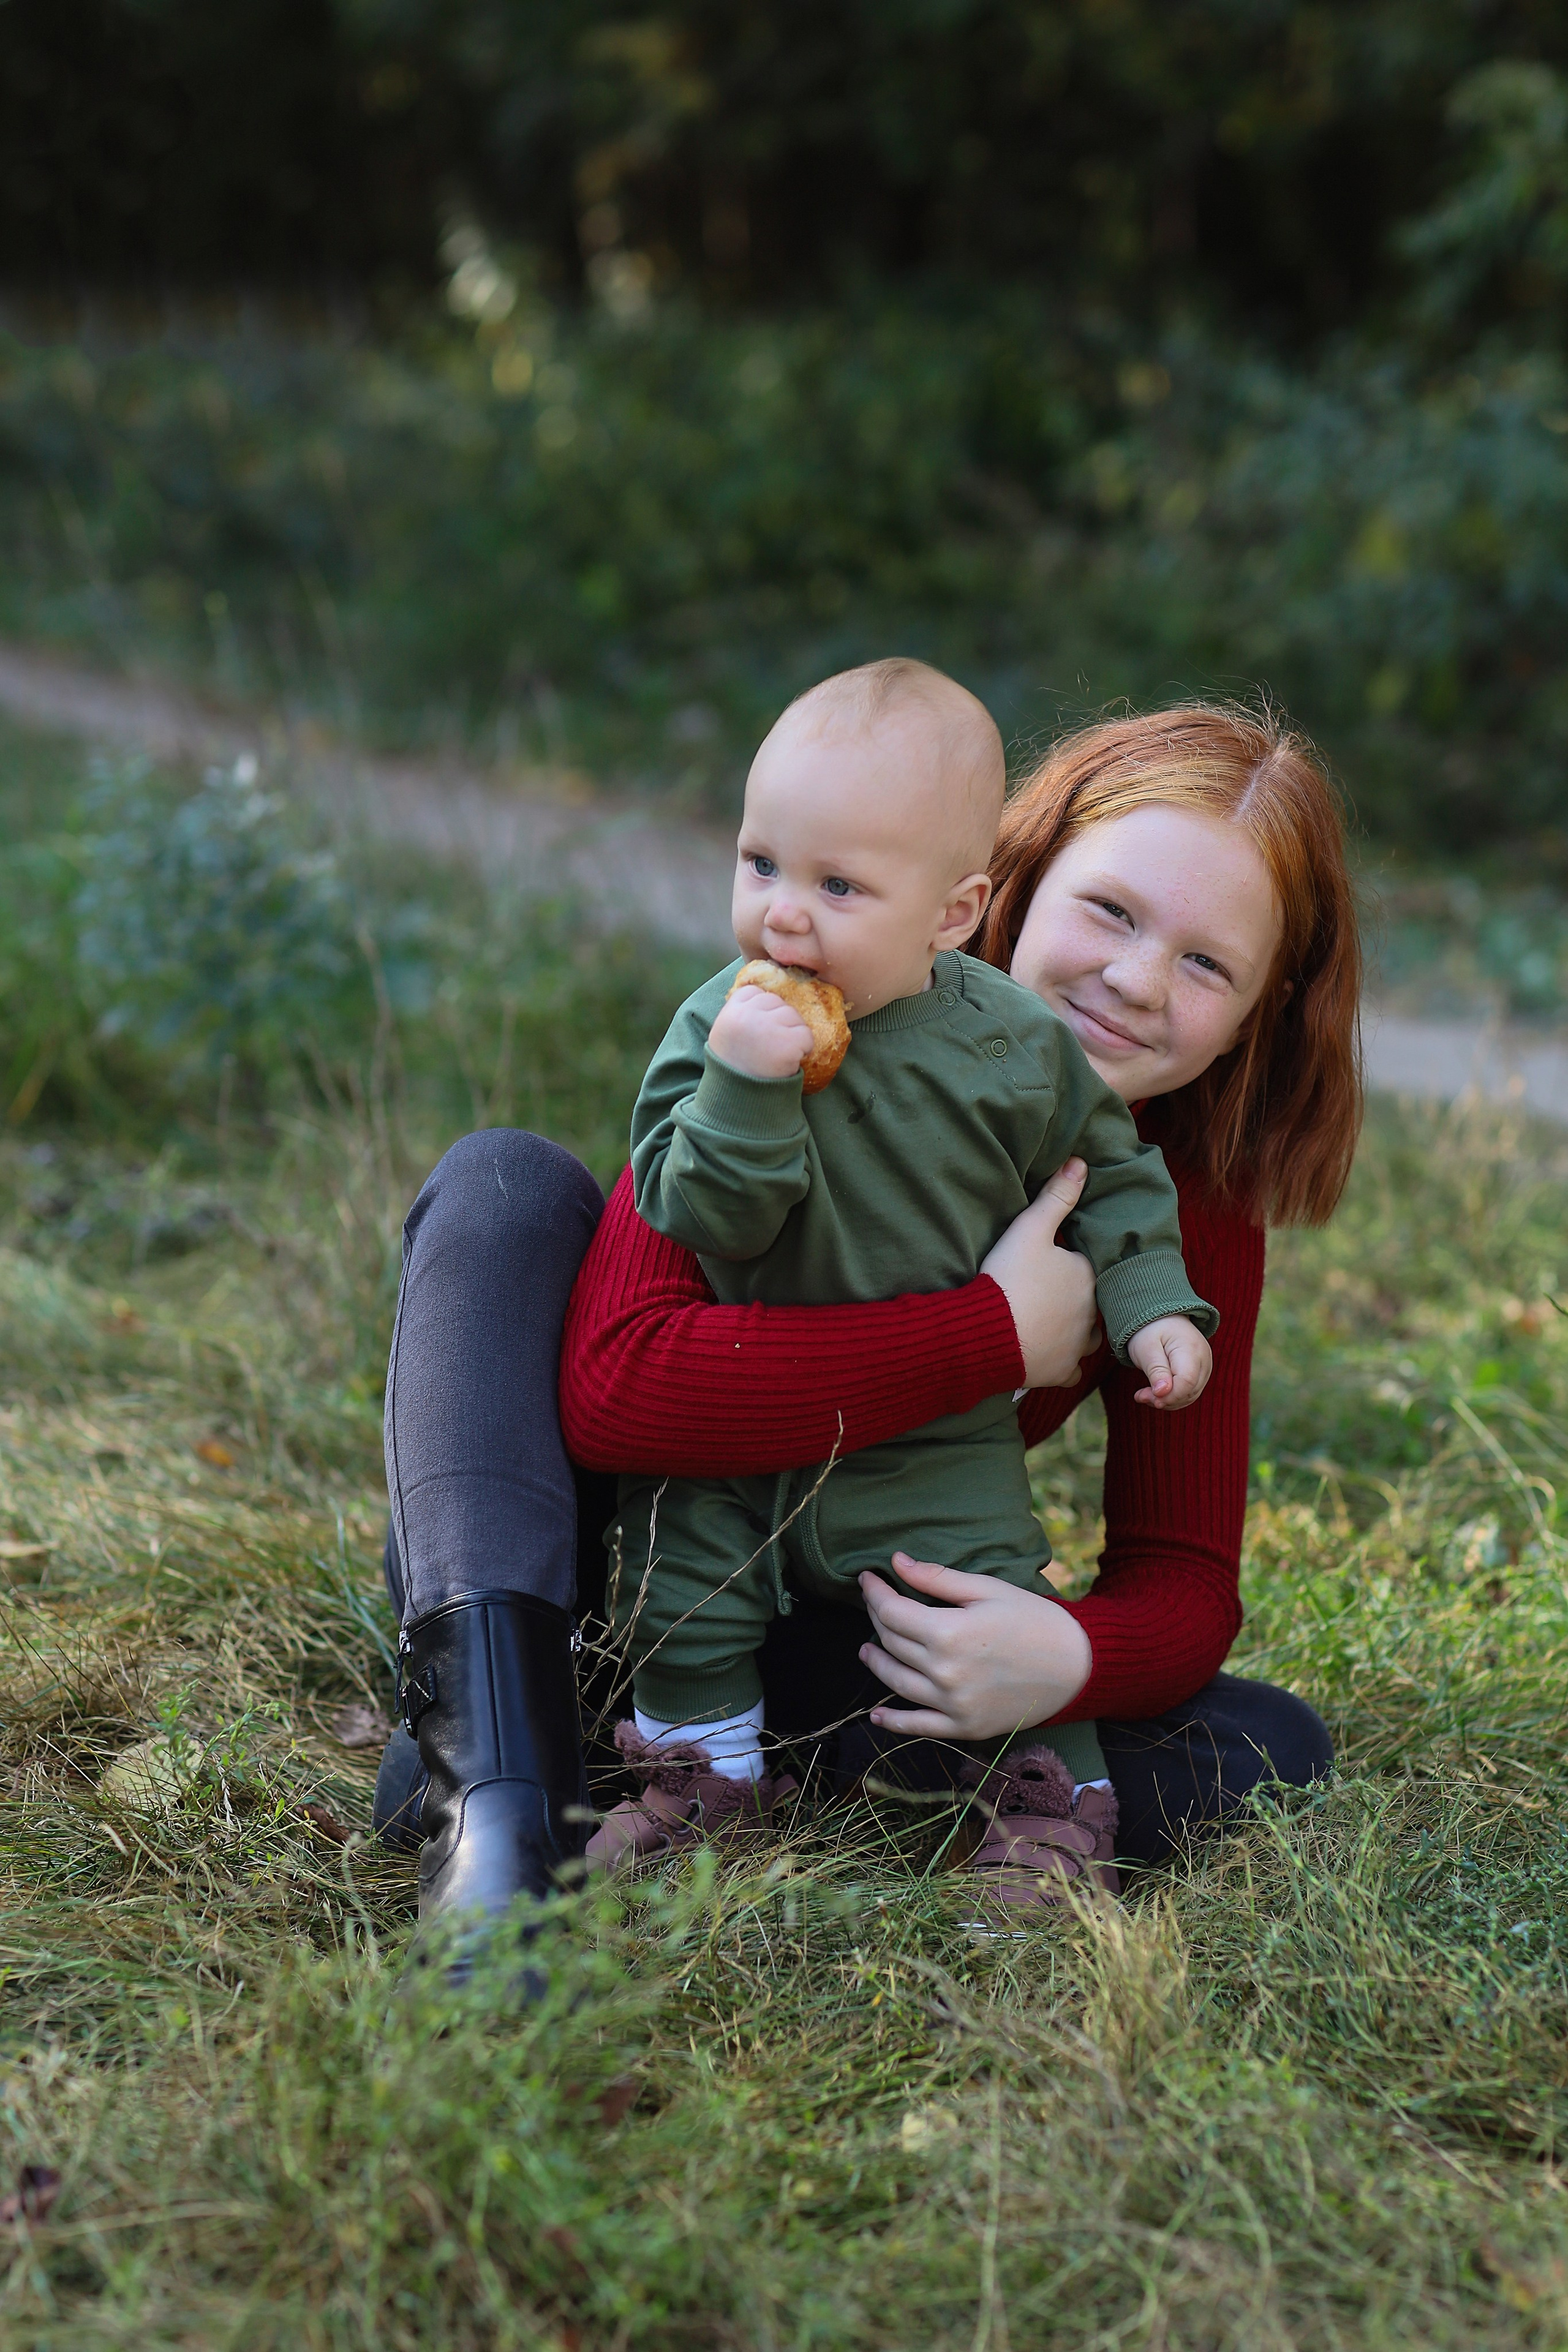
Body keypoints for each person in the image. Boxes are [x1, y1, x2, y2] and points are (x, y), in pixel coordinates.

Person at [377, 699, 1360, 1955]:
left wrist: (1058, 1657)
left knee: (1264, 1746)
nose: (1132, 980)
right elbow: (617, 1394)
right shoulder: (783, 1028)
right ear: (999, 886)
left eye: (1205, 963)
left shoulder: (1177, 1208)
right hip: (617, 1574)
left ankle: (681, 1769)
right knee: (504, 1182)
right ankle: (499, 1777)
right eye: (1108, 911)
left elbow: (1181, 1577)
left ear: (1262, 1005)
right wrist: (992, 1336)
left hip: (851, 1621)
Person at [594, 660, 1216, 1891]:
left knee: (982, 1597)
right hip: (742, 1420)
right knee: (678, 1585)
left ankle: (1050, 1810)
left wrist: (1153, 1309)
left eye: (838, 886)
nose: (783, 915)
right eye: (760, 864)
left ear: (950, 911)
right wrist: (744, 1085)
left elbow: (1116, 1178)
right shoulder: (714, 1030)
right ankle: (698, 1783)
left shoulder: (1014, 1047)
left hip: (931, 1449)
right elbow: (693, 1204)